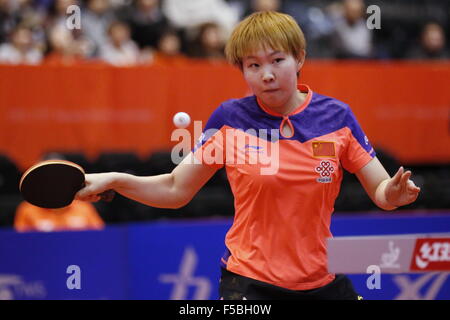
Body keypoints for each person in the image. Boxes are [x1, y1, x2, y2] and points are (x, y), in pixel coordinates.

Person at [76, 11, 421, 300]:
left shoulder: (337, 117)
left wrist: (391, 194)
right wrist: (118, 180)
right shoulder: (229, 119)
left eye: (277, 60)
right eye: (253, 65)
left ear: (299, 58)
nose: (266, 74)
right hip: (250, 285)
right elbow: (175, 189)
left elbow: (380, 190)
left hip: (323, 281)